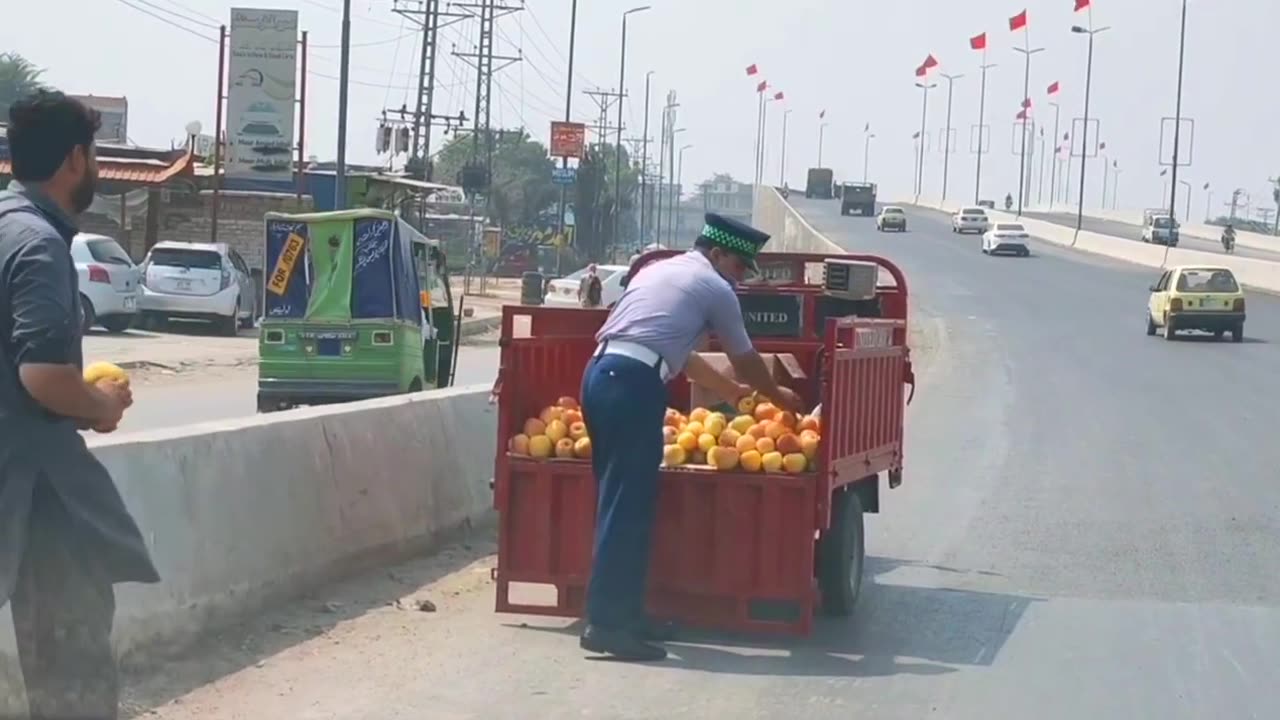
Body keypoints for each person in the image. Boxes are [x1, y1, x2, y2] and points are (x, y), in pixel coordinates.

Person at [578, 213, 803, 662]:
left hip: (602, 374)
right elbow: (744, 357)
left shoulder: (659, 270)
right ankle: (605, 625)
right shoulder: (715, 288)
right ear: (717, 254)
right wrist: (777, 395)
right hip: (633, 385)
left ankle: (625, 615)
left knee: (618, 501)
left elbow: (678, 354)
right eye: (740, 266)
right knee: (628, 509)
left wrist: (730, 393)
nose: (740, 278)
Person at [0, 90, 160, 719]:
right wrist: (96, 403)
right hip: (37, 489)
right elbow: (41, 374)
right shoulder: (39, 244)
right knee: (71, 667)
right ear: (74, 159)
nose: (94, 168)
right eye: (93, 155)